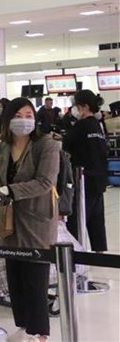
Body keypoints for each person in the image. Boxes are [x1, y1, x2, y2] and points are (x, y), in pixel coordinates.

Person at [0, 97, 60, 342]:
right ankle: (25, 327)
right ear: (8, 119)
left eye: (29, 116)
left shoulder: (46, 145)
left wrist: (9, 191)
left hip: (36, 220)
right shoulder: (3, 147)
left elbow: (45, 182)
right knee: (15, 278)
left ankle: (40, 334)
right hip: (8, 220)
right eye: (19, 115)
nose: (25, 120)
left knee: (35, 280)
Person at [63, 90, 108, 253]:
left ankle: (76, 253)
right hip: (99, 179)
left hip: (83, 180)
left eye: (76, 106)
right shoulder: (98, 125)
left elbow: (66, 144)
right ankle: (99, 252)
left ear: (84, 107)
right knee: (97, 219)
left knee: (77, 219)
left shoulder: (81, 126)